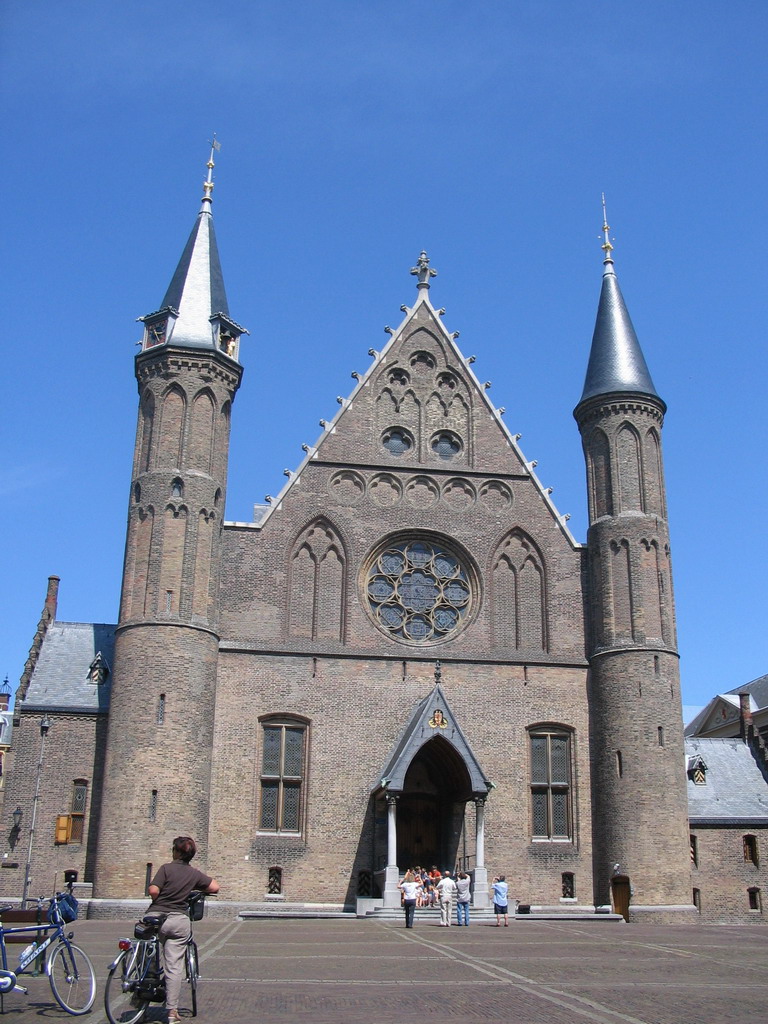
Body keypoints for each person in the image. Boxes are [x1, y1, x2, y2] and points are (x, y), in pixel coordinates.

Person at [147, 836, 219, 1024]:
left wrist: (159, 895)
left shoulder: (165, 869)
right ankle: (172, 1012)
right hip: (178, 920)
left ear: (177, 852)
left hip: (155, 917)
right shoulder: (193, 874)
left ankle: (143, 987)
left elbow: (154, 890)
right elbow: (215, 887)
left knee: (147, 947)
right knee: (173, 965)